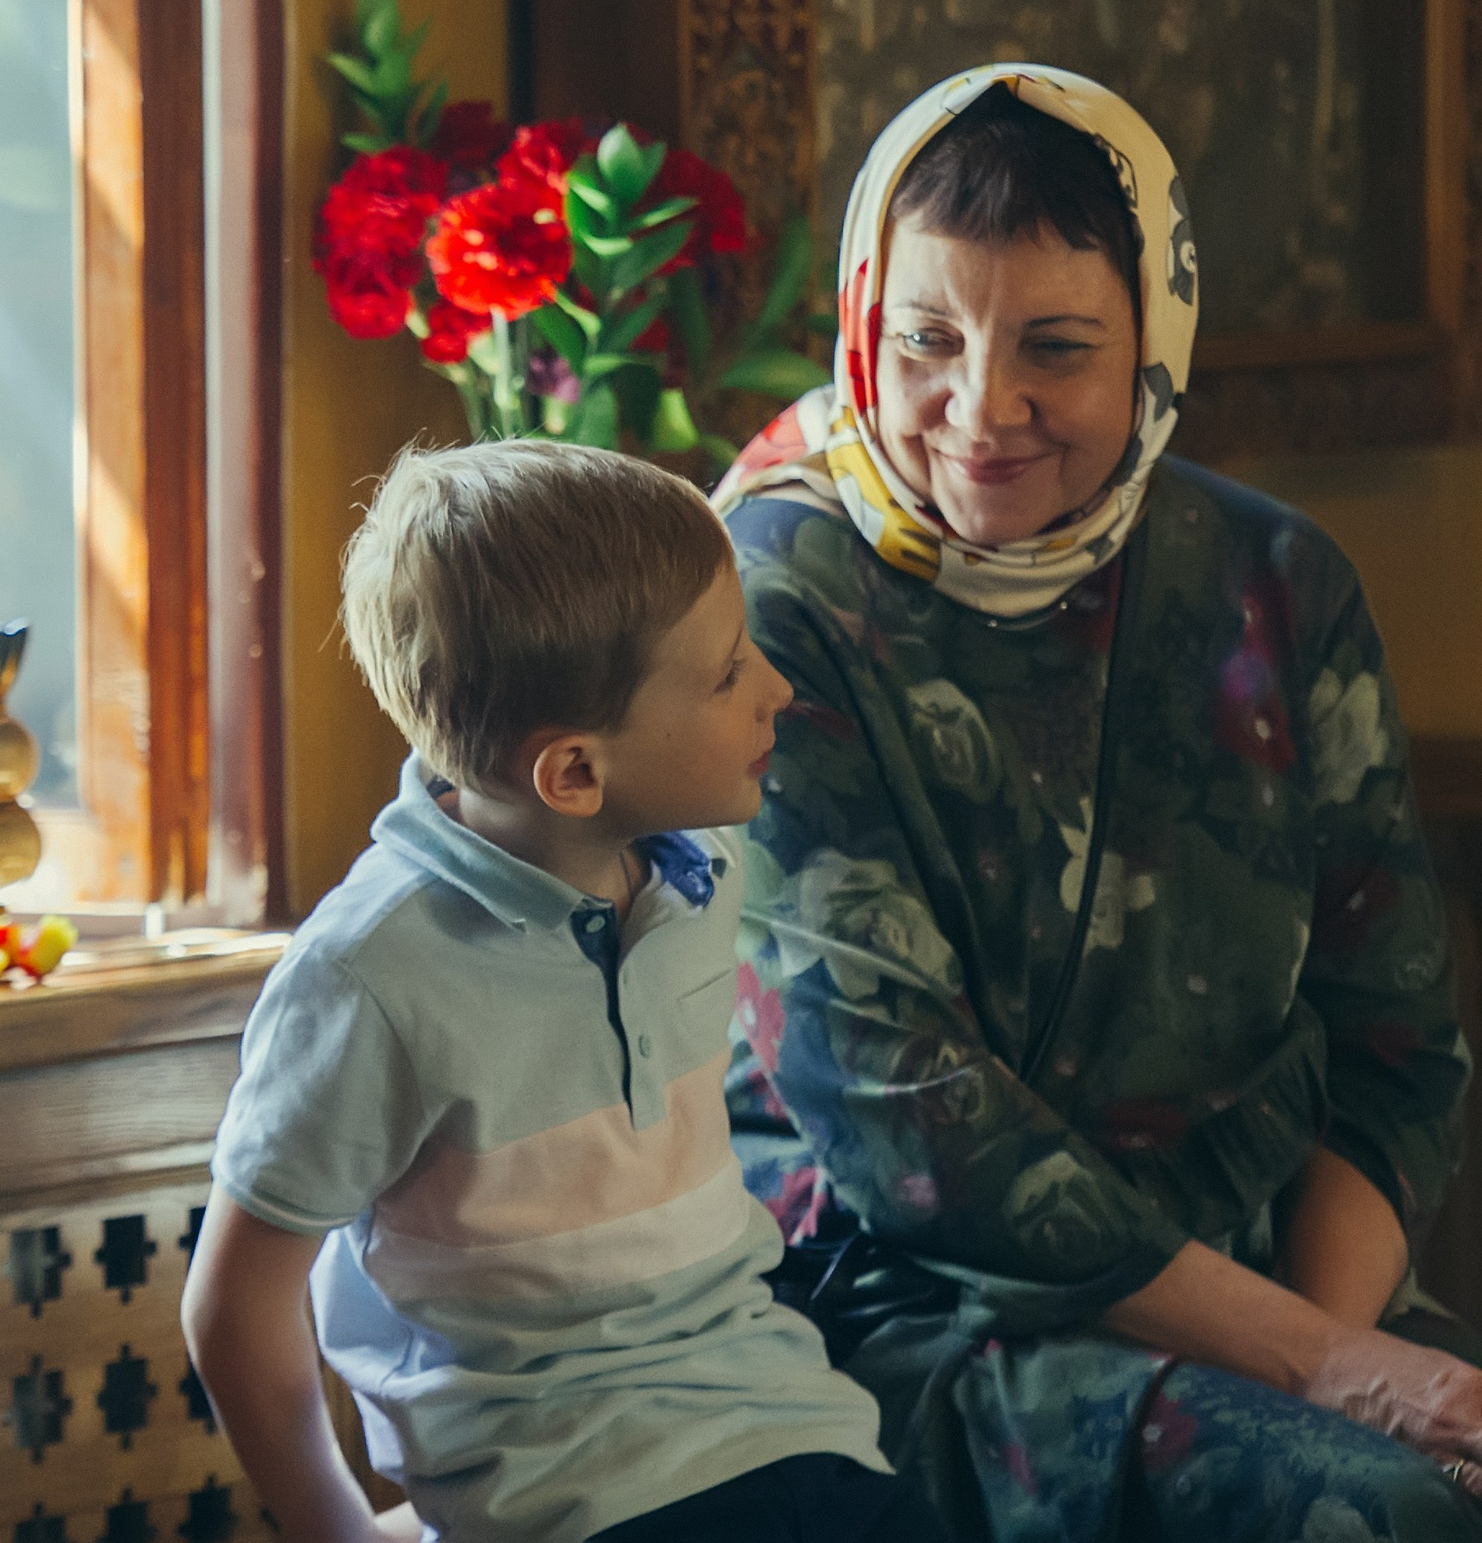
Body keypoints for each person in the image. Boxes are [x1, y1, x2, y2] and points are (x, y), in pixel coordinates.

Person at [714, 68, 1482, 1542]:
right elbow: (911, 1133)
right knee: (1391, 1520)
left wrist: (1322, 1356)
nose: (980, 409)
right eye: (927, 340)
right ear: (859, 324)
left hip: (1271, 1286)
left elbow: (1394, 1053)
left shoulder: (1276, 580)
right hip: (927, 1313)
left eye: (1058, 349)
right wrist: (1323, 1371)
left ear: (1158, 343)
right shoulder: (773, 596)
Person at [182, 442, 937, 1542]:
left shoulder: (704, 861)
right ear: (573, 772)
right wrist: (336, 1527)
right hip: (555, 1484)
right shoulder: (366, 979)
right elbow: (236, 1302)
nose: (775, 688)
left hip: (773, 1414)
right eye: (727, 672)